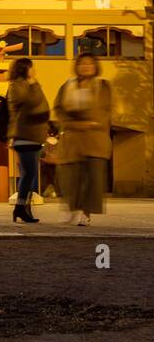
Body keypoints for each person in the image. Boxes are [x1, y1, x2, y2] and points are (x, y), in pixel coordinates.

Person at [53, 53, 113, 226]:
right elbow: (58, 108)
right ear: (77, 66)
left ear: (95, 66)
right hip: (73, 138)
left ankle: (85, 213)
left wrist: (90, 122)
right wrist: (70, 123)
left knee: (93, 178)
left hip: (95, 138)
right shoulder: (68, 86)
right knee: (71, 177)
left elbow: (106, 110)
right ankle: (72, 208)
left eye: (90, 63)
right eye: (82, 63)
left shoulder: (103, 86)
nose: (86, 66)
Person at [6, 57, 49, 223]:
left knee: (29, 174)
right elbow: (32, 103)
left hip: (34, 135)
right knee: (28, 173)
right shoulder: (17, 86)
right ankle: (20, 207)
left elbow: (42, 106)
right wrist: (34, 85)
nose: (34, 70)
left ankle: (24, 208)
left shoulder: (27, 86)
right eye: (32, 67)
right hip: (24, 135)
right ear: (25, 69)